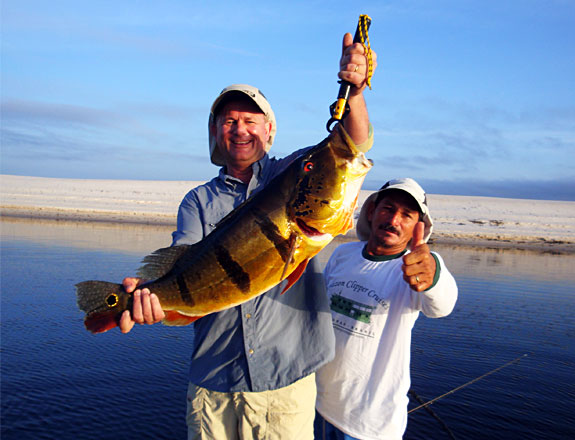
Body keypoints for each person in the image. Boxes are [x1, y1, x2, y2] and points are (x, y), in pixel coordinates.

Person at [118, 32, 377, 440]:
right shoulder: (197, 201)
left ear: (269, 129)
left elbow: (351, 142)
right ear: (216, 132)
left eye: (250, 120)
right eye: (229, 121)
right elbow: (179, 265)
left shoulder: (291, 173)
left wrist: (355, 90)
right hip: (212, 387)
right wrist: (148, 299)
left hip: (285, 386)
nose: (240, 129)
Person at [314, 178, 458, 440]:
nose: (394, 221)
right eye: (388, 209)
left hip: (369, 426)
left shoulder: (417, 267)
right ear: (372, 211)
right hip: (317, 405)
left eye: (406, 215)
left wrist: (432, 276)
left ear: (418, 226)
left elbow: (442, 305)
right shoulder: (343, 254)